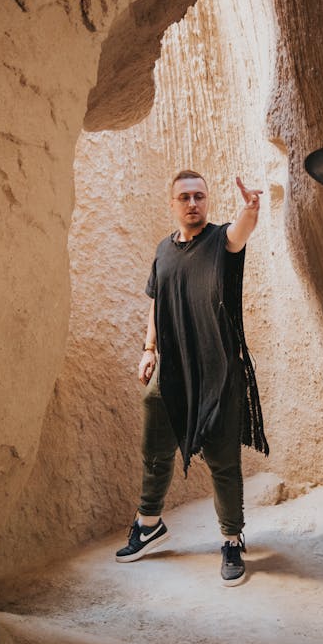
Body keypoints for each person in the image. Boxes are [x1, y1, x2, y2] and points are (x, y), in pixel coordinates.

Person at [116, 170, 268, 585]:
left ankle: (232, 539)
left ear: (208, 201)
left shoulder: (222, 241)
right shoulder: (163, 251)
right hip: (172, 368)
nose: (193, 203)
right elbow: (157, 301)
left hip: (218, 369)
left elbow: (241, 232)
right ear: (173, 204)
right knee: (155, 444)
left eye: (199, 196)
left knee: (222, 459)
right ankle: (148, 524)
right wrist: (149, 349)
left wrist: (250, 209)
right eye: (184, 197)